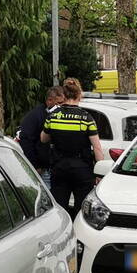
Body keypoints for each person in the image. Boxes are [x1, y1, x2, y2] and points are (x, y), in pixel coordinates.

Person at [40, 78, 105, 218]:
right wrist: (99, 173)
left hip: (59, 168)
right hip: (82, 170)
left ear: (64, 96)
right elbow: (97, 148)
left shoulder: (53, 116)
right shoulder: (86, 118)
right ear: (79, 95)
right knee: (82, 209)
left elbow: (43, 138)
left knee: (60, 208)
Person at [18, 86, 65, 178]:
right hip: (43, 169)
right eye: (59, 103)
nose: (62, 106)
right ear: (49, 101)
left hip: (58, 167)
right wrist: (35, 165)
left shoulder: (59, 115)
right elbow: (26, 140)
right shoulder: (36, 116)